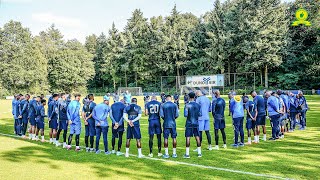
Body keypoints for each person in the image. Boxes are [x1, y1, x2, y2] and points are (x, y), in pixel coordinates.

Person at [183, 92, 202, 158]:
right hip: (196, 123)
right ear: (194, 97)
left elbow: (185, 115)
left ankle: (187, 154)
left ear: (188, 97)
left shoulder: (187, 105)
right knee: (197, 137)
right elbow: (200, 114)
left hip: (189, 123)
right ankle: (199, 153)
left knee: (188, 137)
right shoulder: (198, 105)